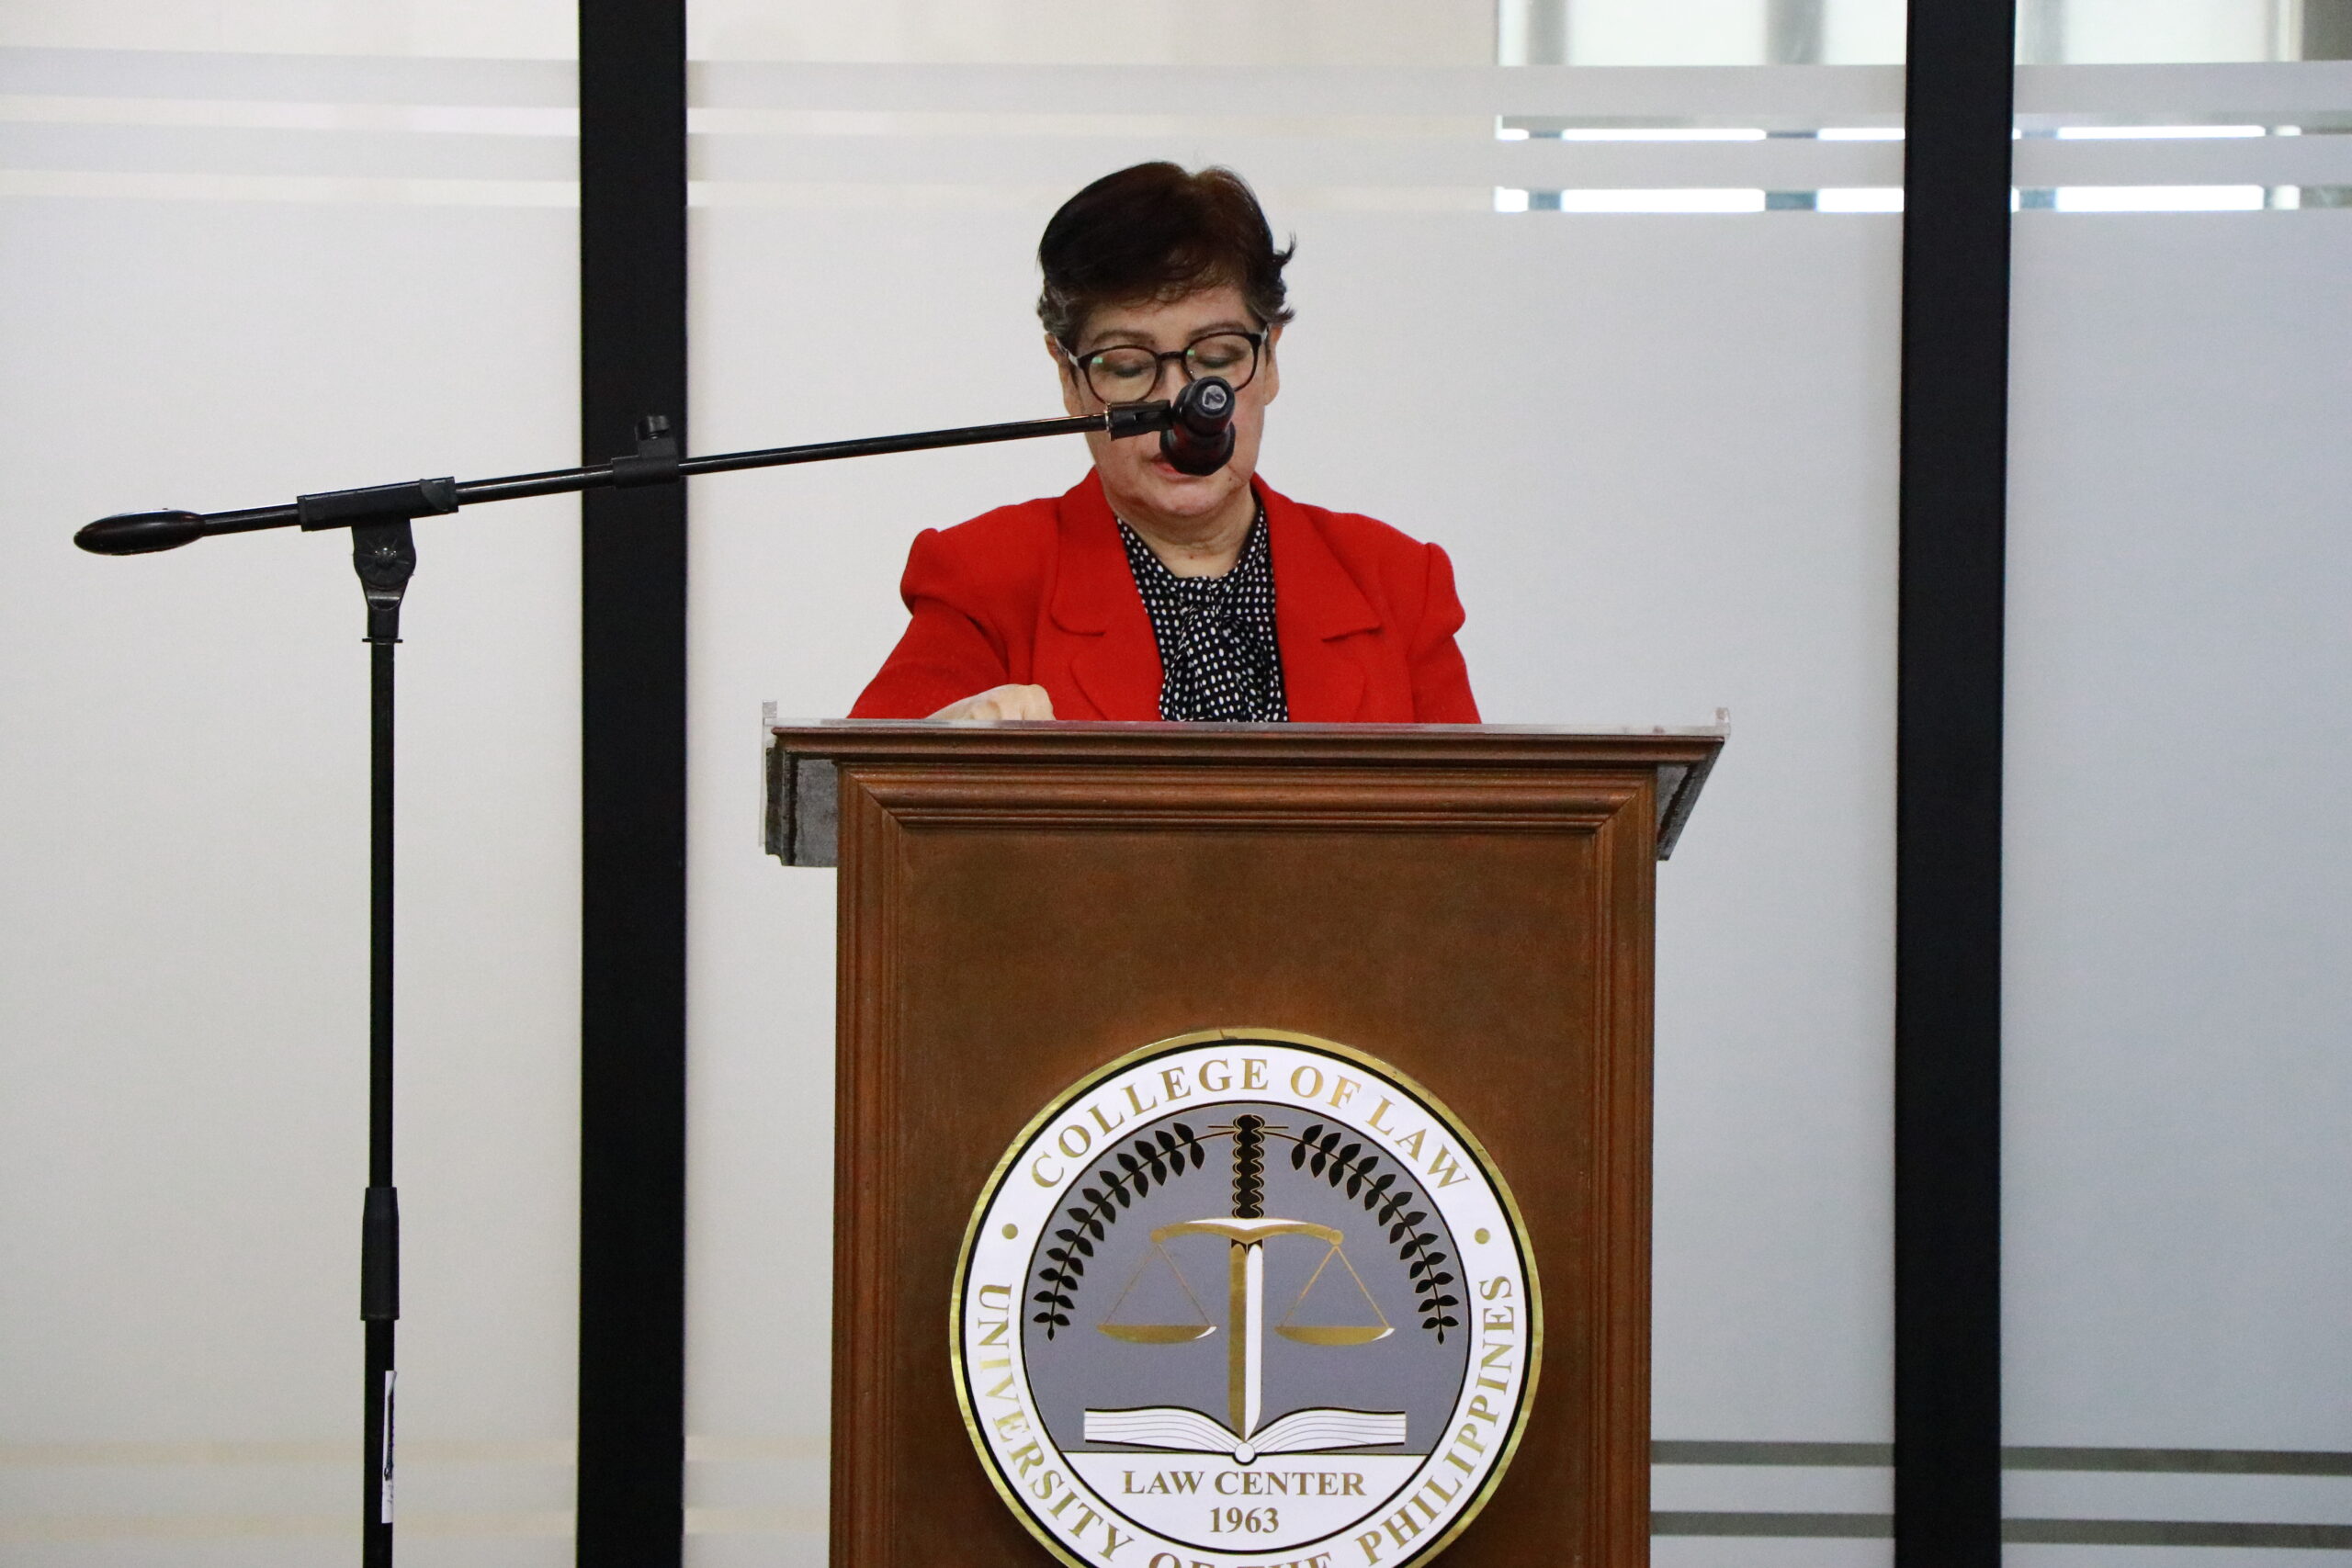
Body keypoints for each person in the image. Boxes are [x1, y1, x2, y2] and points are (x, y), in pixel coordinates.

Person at [849, 163, 1479, 724]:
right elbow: (858, 793)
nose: (1181, 403)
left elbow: (1474, 816)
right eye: (1127, 366)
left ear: (1270, 362)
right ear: (1069, 379)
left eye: (1218, 357)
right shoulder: (987, 577)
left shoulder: (1400, 584)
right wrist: (939, 756)